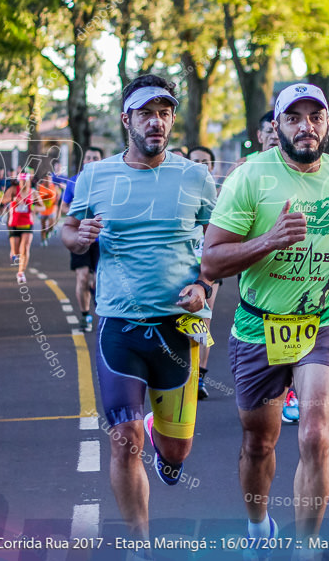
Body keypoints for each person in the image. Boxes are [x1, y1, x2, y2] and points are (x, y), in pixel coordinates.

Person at [202, 83, 329, 545]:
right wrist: (268, 240)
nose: (306, 127)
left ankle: (306, 548)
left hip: (323, 319)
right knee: (259, 443)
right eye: (294, 118)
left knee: (315, 435)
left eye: (315, 117)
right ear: (277, 125)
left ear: (327, 124)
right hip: (259, 324)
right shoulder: (249, 178)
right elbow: (212, 261)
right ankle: (258, 526)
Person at [62, 75, 216, 541]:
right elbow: (67, 231)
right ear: (126, 119)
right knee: (123, 441)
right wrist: (79, 236)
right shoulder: (96, 175)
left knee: (176, 453)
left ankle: (164, 442)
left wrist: (205, 286)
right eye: (147, 113)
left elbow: (219, 243)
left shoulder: (195, 176)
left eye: (165, 113)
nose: (157, 122)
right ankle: (140, 542)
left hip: (177, 327)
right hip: (119, 326)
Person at [187, 145, 221, 400]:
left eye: (205, 162)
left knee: (203, 320)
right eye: (195, 161)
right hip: (184, 264)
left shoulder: (221, 195)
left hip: (210, 265)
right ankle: (182, 373)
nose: (201, 166)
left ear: (212, 166)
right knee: (180, 321)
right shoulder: (179, 192)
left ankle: (199, 377)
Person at [61, 147, 104, 333]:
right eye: (88, 157)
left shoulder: (109, 181)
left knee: (97, 280)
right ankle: (85, 315)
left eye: (96, 157)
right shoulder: (74, 181)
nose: (92, 160)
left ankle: (101, 308)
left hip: (103, 240)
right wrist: (78, 216)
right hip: (81, 237)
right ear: (83, 160)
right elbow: (64, 207)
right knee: (82, 277)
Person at [3, 172, 41, 284]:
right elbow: (3, 200)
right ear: (19, 181)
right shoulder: (14, 189)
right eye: (22, 181)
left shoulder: (33, 193)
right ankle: (13, 252)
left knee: (25, 248)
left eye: (26, 181)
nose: (23, 183)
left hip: (27, 223)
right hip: (14, 223)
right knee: (16, 251)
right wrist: (13, 199)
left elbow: (42, 206)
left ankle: (21, 273)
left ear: (29, 181)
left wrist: (34, 207)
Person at [38, 172, 61, 246]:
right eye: (47, 178)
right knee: (43, 226)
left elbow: (58, 194)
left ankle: (48, 232)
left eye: (50, 178)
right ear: (44, 179)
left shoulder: (54, 187)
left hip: (51, 209)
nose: (48, 180)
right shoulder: (40, 187)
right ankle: (43, 240)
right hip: (43, 210)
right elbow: (36, 197)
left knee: (51, 225)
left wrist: (56, 202)